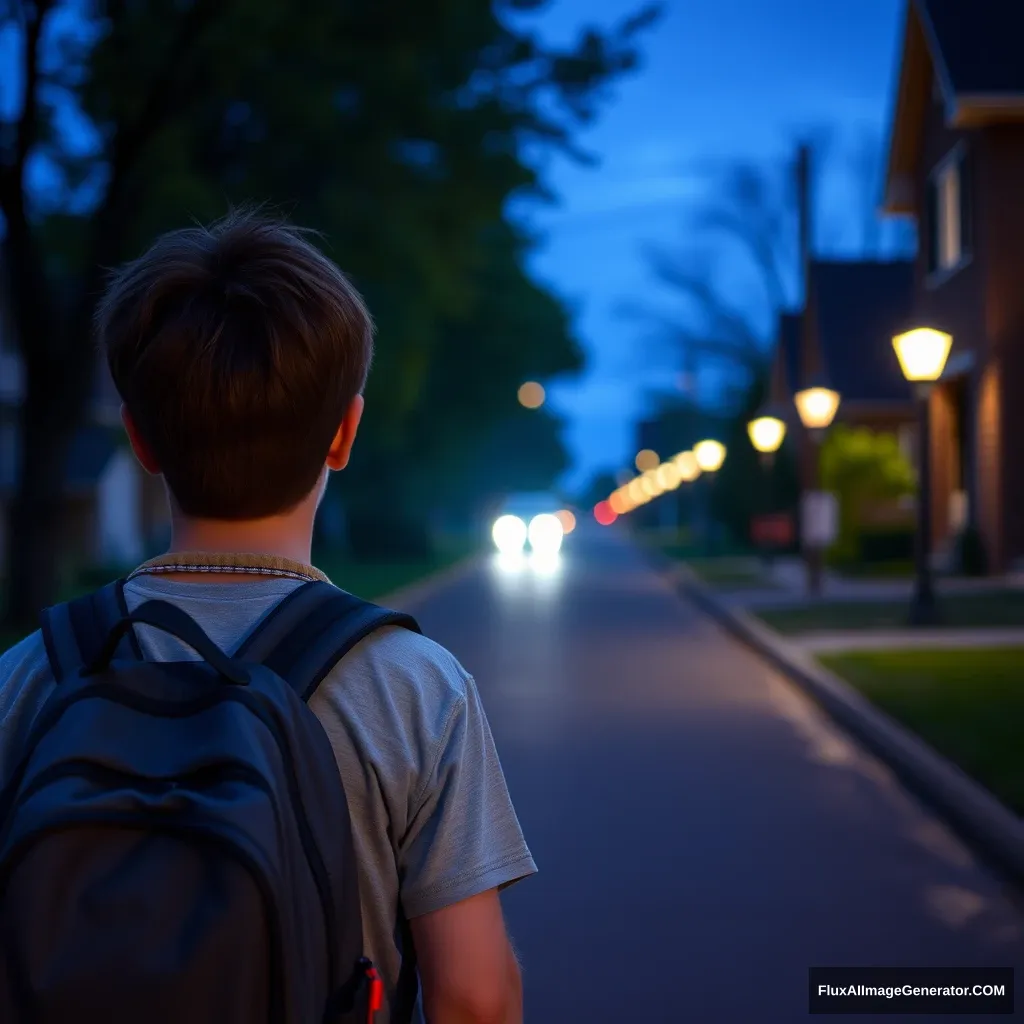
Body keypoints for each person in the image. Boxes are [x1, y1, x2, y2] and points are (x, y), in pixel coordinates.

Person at [0, 209, 535, 1023]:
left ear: (139, 439)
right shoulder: (414, 690)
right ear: (344, 434)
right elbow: (473, 999)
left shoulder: (25, 677)